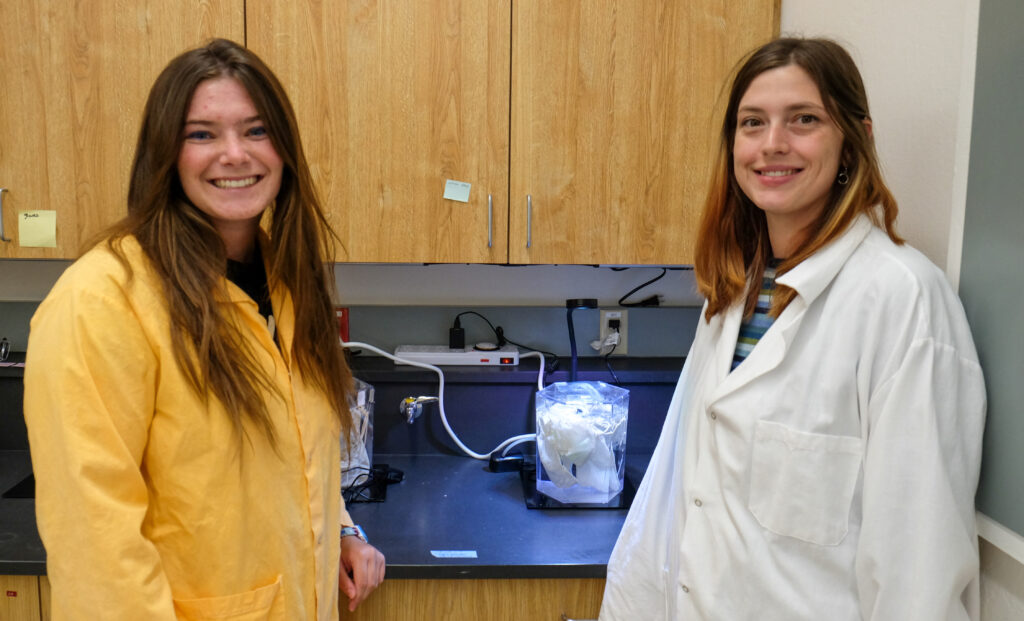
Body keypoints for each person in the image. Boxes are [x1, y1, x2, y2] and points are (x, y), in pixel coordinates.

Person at [599, 37, 985, 620]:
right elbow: (679, 499)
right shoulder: (734, 297)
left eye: (804, 120)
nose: (772, 144)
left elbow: (918, 570)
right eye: (752, 122)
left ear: (855, 140)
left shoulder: (902, 300)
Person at [24, 39, 385, 620]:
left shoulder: (287, 282)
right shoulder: (102, 299)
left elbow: (293, 455)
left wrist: (340, 530)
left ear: (284, 149)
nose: (235, 154)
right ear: (165, 154)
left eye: (257, 130)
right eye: (202, 134)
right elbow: (93, 536)